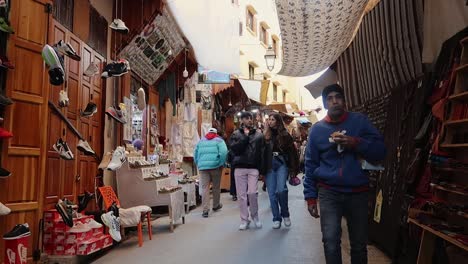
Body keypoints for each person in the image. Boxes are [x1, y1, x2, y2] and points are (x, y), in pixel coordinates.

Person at [304, 84, 386, 264]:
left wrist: (355, 142)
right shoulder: (317, 130)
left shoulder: (360, 122)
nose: (334, 101)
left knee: (358, 244)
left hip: (358, 192)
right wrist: (310, 197)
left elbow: (380, 151)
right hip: (329, 192)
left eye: (338, 97)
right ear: (325, 104)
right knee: (330, 242)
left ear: (344, 100)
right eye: (330, 98)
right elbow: (310, 165)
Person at [229, 111, 265, 230]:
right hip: (239, 167)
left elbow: (262, 152)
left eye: (251, 118)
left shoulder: (259, 135)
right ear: (242, 120)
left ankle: (255, 216)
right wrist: (245, 136)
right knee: (241, 196)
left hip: (253, 167)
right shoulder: (235, 134)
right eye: (247, 118)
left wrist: (261, 169)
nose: (249, 120)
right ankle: (244, 219)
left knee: (252, 193)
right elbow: (234, 149)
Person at [263, 113, 298, 229]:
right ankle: (276, 218)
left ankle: (285, 214)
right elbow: (260, 153)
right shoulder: (264, 136)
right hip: (269, 165)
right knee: (272, 193)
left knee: (281, 190)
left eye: (272, 119)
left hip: (281, 162)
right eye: (269, 119)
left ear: (278, 121)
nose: (270, 121)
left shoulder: (285, 135)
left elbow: (292, 153)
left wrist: (293, 170)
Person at [194, 128, 228, 218]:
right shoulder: (219, 141)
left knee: (205, 188)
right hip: (215, 166)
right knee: (216, 186)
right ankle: (216, 205)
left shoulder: (201, 141)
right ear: (216, 133)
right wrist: (221, 163)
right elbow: (224, 152)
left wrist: (198, 163)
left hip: (203, 168)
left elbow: (195, 153)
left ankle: (205, 210)